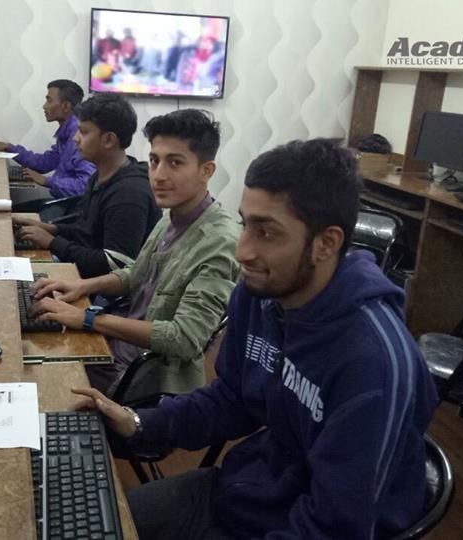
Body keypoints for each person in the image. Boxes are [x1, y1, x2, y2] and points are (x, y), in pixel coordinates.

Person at [72, 139, 439, 538]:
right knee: (83, 526)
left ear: (326, 243)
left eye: (266, 232)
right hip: (247, 492)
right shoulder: (259, 295)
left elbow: (335, 527)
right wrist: (139, 422)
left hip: (297, 523)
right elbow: (232, 399)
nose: (242, 251)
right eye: (245, 224)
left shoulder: (373, 363)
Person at [30, 109, 239, 398]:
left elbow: (183, 338)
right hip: (116, 345)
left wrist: (88, 319)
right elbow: (137, 274)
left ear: (207, 170)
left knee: (36, 380)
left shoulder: (220, 242)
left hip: (142, 377)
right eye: (154, 161)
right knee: (30, 345)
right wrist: (81, 286)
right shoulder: (172, 216)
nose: (159, 175)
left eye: (175, 163)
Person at [14, 93, 160, 279]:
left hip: (99, 289)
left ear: (109, 140)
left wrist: (52, 242)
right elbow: (87, 232)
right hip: (82, 271)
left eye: (83, 132)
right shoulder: (100, 176)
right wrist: (51, 228)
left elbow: (114, 265)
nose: (75, 139)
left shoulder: (129, 194)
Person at [0, 79, 94, 198]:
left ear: (65, 106)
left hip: (72, 206)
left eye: (49, 100)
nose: (44, 106)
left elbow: (85, 186)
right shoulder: (66, 132)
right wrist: (8, 147)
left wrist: (45, 180)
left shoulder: (78, 137)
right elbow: (44, 163)